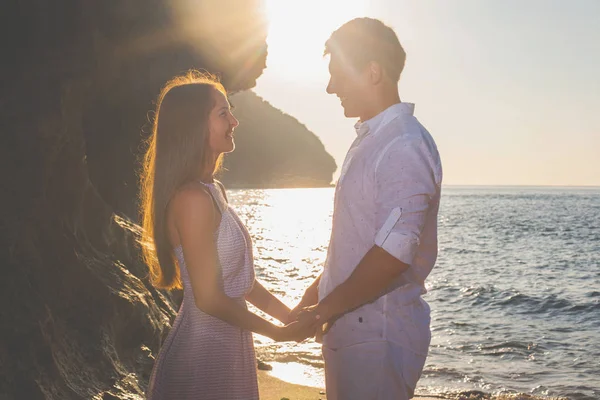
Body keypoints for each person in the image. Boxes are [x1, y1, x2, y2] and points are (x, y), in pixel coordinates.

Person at [292, 18, 443, 399]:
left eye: (337, 74)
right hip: (354, 330)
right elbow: (357, 242)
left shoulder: (403, 145)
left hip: (378, 336)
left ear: (373, 72)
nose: (330, 87)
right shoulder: (374, 141)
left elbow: (393, 254)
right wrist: (316, 294)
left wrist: (322, 311)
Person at [139, 71, 313, 400]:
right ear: (194, 126)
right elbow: (208, 298)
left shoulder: (212, 190)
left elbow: (240, 283)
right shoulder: (191, 199)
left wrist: (288, 317)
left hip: (228, 349)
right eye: (223, 113)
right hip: (202, 357)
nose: (234, 121)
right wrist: (276, 334)